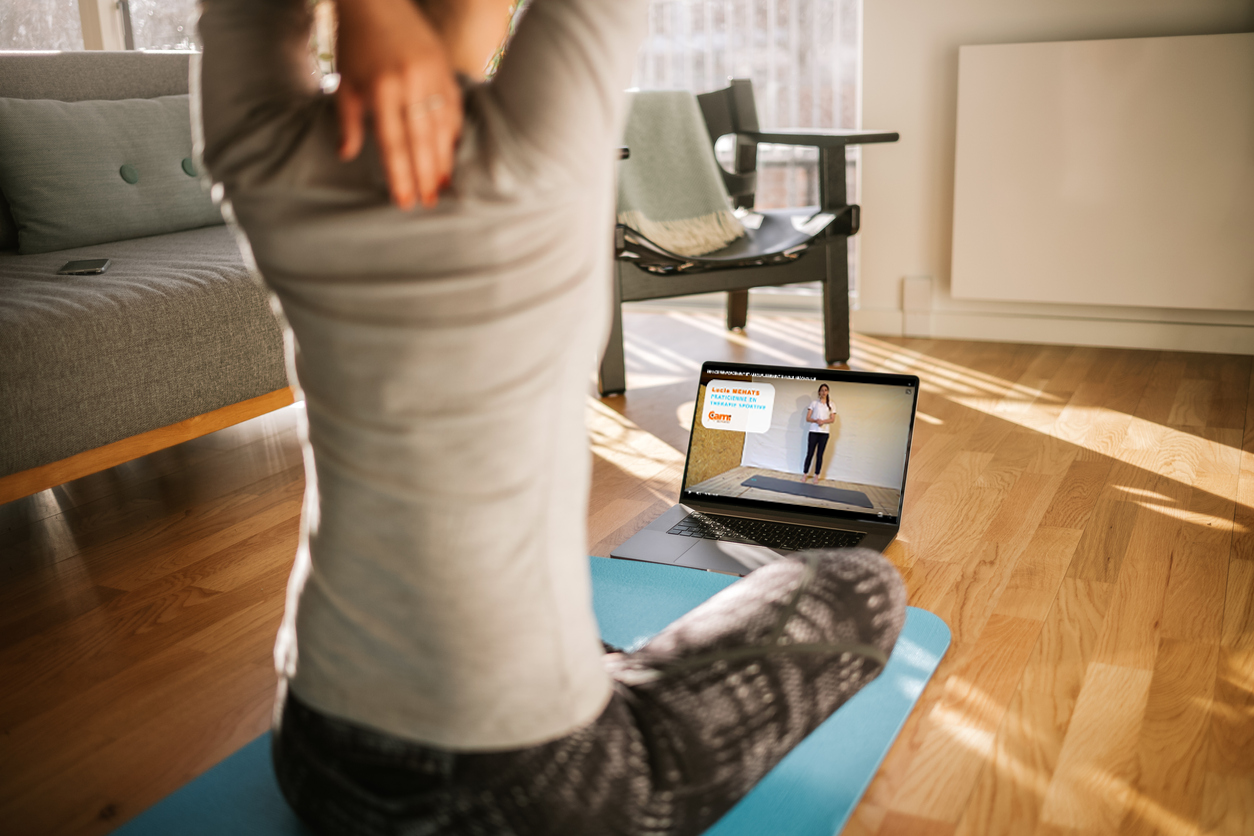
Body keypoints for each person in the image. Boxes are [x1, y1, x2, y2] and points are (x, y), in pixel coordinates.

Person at [195, 0, 907, 833]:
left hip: (317, 750)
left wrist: (368, 12)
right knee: (861, 585)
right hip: (532, 787)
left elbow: (240, 14)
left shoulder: (266, 153)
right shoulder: (533, 149)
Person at [803, 383, 836, 483]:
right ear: (819, 392)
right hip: (813, 431)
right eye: (822, 390)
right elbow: (808, 418)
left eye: (825, 390)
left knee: (820, 455)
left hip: (824, 433)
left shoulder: (832, 404)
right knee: (810, 453)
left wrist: (823, 421)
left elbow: (832, 419)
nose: (824, 392)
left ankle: (816, 475)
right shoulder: (814, 403)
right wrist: (816, 421)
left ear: (828, 392)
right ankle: (805, 474)